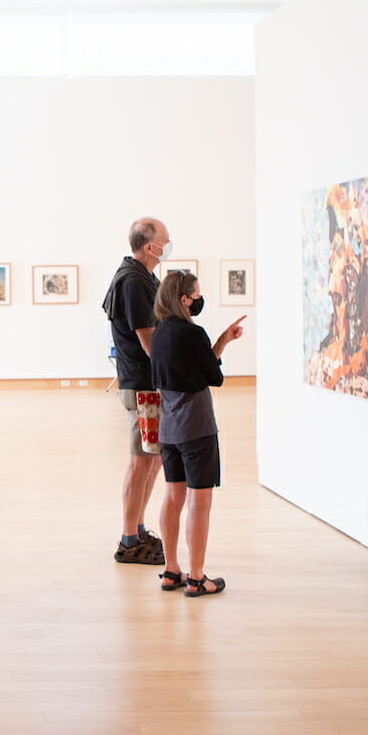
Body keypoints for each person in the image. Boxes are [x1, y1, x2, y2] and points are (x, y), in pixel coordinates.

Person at [149, 270, 245, 597]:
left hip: (169, 428)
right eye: (196, 294)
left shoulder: (159, 333)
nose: (198, 299)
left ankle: (171, 570)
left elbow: (193, 368)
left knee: (173, 497)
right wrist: (216, 343)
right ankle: (197, 577)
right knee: (199, 503)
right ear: (183, 299)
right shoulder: (193, 334)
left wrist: (222, 340)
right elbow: (212, 377)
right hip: (197, 428)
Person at [99, 217, 171, 565]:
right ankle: (129, 539)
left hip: (149, 385)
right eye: (165, 241)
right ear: (149, 247)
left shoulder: (143, 278)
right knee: (140, 462)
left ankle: (138, 529)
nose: (168, 245)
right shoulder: (132, 281)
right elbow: (149, 341)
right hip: (143, 386)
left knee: (152, 459)